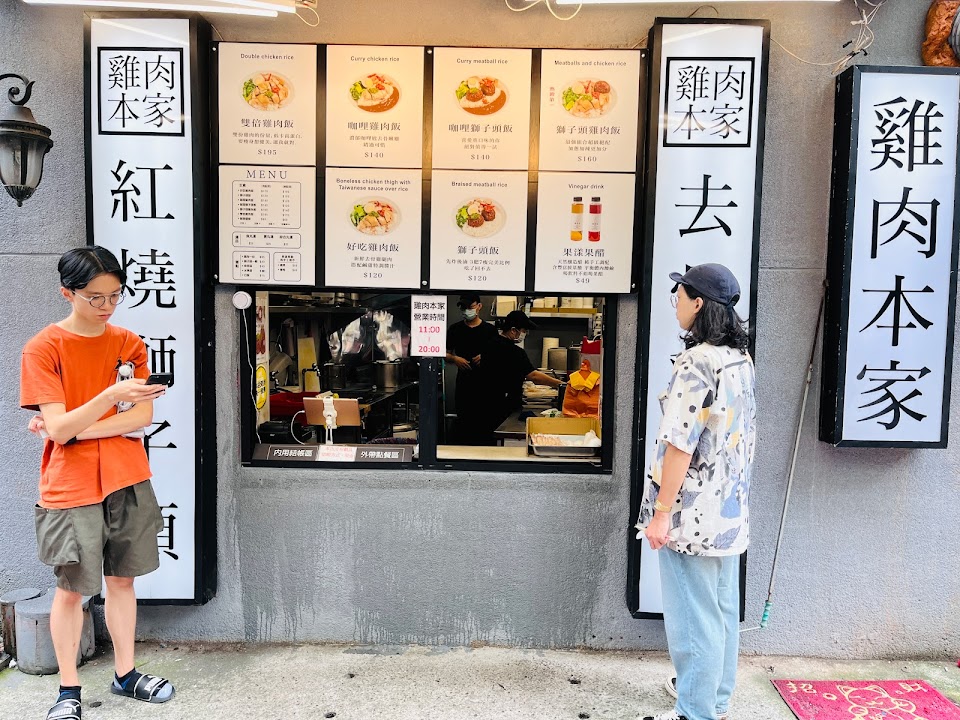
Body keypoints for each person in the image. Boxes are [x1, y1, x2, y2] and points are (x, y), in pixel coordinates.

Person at [20, 247, 176, 720]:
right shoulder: (43, 348)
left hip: (127, 475)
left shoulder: (129, 343)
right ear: (67, 293)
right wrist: (109, 398)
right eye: (94, 297)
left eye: (115, 295)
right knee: (72, 587)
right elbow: (64, 424)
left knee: (123, 580)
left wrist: (69, 428)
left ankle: (125, 673)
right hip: (71, 486)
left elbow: (141, 417)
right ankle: (68, 689)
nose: (107, 306)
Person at [635, 263, 756, 720]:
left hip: (692, 514)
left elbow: (680, 444)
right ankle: (714, 700)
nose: (676, 305)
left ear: (699, 303)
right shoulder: (739, 359)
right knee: (721, 610)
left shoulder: (696, 362)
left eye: (680, 296)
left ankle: (695, 711)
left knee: (692, 620)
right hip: (728, 510)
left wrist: (661, 512)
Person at [473, 310, 565, 444]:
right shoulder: (515, 352)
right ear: (513, 330)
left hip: (483, 404)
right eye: (524, 331)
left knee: (487, 442)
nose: (524, 334)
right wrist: (560, 384)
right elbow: (533, 376)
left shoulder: (488, 344)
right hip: (504, 406)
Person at [445, 293, 498, 444]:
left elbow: (499, 356)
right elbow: (444, 353)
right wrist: (455, 359)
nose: (466, 310)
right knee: (465, 423)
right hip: (464, 384)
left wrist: (486, 357)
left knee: (485, 425)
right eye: (463, 308)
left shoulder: (490, 330)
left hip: (486, 386)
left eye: (470, 307)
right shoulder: (455, 329)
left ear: (479, 306)